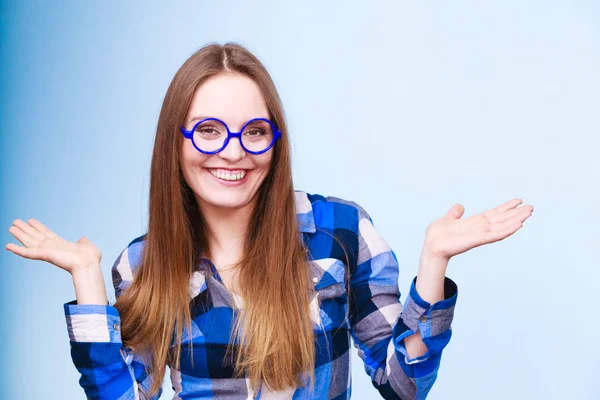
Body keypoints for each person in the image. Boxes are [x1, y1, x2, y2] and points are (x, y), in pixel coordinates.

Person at [5, 42, 533, 400]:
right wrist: (88, 278)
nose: (233, 153)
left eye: (254, 131)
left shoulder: (340, 232)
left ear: (275, 142)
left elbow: (403, 385)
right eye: (209, 130)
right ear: (177, 141)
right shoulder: (143, 264)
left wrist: (433, 263)